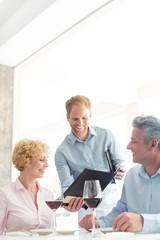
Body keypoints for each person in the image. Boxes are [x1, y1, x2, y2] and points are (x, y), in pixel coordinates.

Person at [80, 115, 160, 233]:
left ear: (153, 144)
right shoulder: (132, 176)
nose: (128, 146)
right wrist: (99, 224)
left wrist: (143, 221)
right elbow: (120, 212)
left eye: (134, 141)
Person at [54, 95, 125, 221]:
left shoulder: (106, 135)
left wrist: (120, 168)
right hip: (85, 204)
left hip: (112, 199)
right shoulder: (61, 152)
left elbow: (119, 162)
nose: (80, 123)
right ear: (67, 118)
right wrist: (68, 202)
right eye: (75, 118)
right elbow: (66, 185)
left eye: (84, 118)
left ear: (90, 115)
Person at [0, 139, 55, 235]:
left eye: (46, 160)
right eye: (42, 160)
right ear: (25, 161)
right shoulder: (5, 194)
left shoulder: (48, 195)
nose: (46, 165)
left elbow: (52, 230)